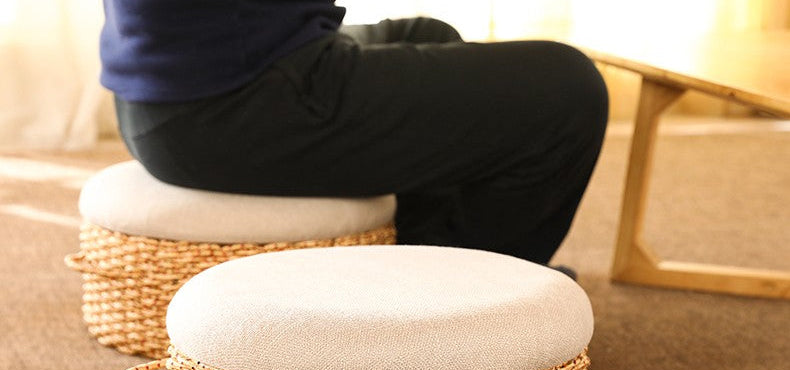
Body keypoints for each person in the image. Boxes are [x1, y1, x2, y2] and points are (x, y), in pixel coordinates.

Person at [100, 1, 608, 270]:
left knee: (427, 37)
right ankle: (454, 315)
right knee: (568, 91)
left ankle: (436, 264)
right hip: (230, 104)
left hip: (163, 93)